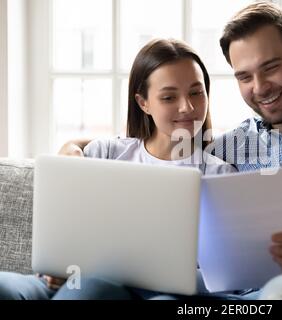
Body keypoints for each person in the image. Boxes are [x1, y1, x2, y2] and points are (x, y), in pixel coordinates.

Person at [39, 2, 282, 300]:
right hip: (245, 296)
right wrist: (72, 150)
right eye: (244, 76)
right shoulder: (230, 147)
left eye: (271, 68)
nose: (260, 86)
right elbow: (141, 147)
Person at [0, 38, 239, 300]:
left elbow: (227, 279)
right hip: (63, 281)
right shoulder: (107, 153)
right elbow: (63, 224)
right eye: (169, 96)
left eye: (196, 92)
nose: (188, 107)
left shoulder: (219, 176)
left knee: (91, 288)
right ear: (143, 102)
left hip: (133, 292)